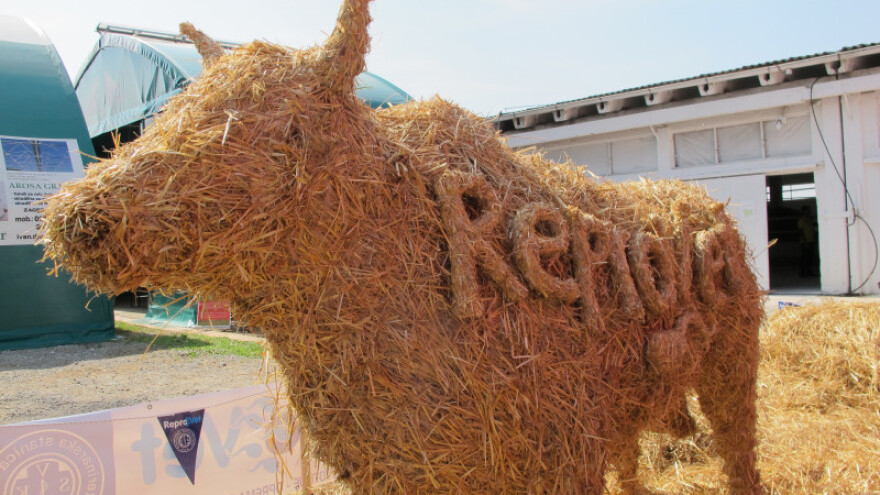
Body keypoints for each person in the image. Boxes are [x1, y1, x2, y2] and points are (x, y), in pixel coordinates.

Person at [797, 206, 817, 277]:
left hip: (811, 240)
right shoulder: (801, 220)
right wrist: (805, 242)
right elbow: (801, 231)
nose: (809, 212)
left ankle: (809, 271)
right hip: (805, 242)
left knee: (810, 257)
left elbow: (814, 229)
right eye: (807, 211)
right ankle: (802, 273)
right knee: (804, 258)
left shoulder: (809, 220)